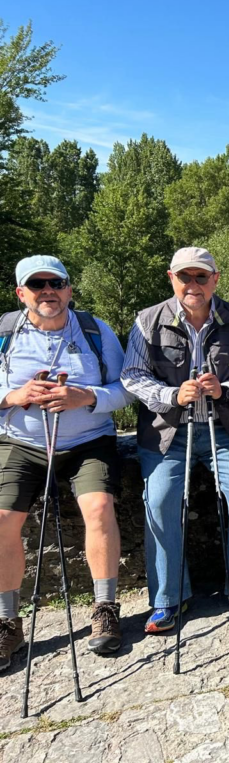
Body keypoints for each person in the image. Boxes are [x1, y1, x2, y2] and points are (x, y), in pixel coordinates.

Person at [122, 247, 229, 633]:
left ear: (215, 280)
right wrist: (172, 395)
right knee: (158, 501)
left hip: (226, 429)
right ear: (171, 278)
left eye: (201, 277)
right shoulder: (146, 321)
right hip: (167, 434)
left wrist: (225, 389)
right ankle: (168, 598)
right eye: (185, 277)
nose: (193, 284)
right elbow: (133, 376)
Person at [0, 255, 132, 666]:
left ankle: (105, 607)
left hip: (87, 441)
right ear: (22, 293)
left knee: (99, 507)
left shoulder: (94, 329)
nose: (47, 292)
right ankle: (7, 623)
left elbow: (127, 386)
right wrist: (13, 398)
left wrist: (86, 397)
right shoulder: (6, 332)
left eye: (55, 283)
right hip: (21, 443)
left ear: (69, 289)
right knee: (2, 520)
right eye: (36, 285)